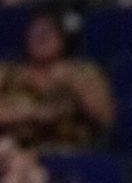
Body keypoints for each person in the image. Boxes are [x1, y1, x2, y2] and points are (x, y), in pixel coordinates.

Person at [0, 14, 113, 150]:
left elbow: (106, 118)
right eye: (35, 34)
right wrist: (33, 113)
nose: (41, 38)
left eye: (47, 33)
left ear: (63, 37)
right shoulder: (7, 73)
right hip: (14, 152)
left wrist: (74, 82)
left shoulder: (83, 72)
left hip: (70, 152)